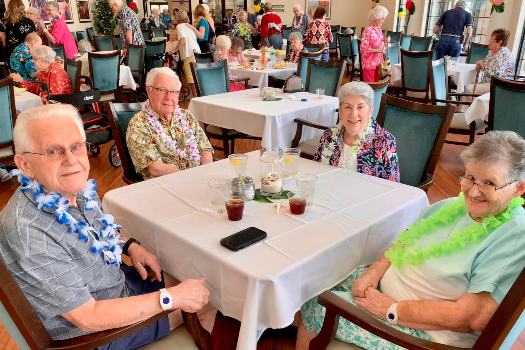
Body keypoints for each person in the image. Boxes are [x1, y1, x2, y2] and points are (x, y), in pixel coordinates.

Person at [0, 103, 210, 347]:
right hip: (93, 335)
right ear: (24, 164)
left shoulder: (75, 188)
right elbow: (87, 317)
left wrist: (130, 247)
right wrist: (170, 299)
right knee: (208, 305)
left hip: (117, 286)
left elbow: (97, 232)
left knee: (201, 277)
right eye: (54, 151)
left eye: (76, 147)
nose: (71, 160)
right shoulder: (29, 229)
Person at [298, 130, 525, 349]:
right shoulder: (451, 207)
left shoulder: (514, 235)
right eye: (471, 177)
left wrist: (392, 309)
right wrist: (374, 272)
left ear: (519, 188)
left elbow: (473, 316)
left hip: (424, 335)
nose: (474, 192)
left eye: (490, 183)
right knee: (314, 280)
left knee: (314, 303)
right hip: (389, 293)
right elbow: (405, 241)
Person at [126, 68, 213, 179]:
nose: (169, 97)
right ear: (149, 90)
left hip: (199, 179)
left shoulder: (186, 116)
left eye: (174, 92)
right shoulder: (138, 124)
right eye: (162, 90)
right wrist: (189, 178)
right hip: (165, 187)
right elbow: (155, 168)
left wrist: (206, 174)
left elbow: (205, 148)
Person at [313, 82, 399, 182]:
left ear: (370, 111)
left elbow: (393, 186)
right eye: (348, 107)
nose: (353, 114)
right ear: (340, 112)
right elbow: (316, 171)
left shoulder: (385, 142)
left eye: (360, 107)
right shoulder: (328, 136)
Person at [465, 28, 515, 96]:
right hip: (488, 82)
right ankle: (471, 106)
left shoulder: (504, 55)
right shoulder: (492, 51)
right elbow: (486, 64)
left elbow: (497, 74)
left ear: (499, 42)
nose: (489, 41)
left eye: (492, 39)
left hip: (499, 86)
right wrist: (480, 65)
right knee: (467, 85)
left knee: (469, 88)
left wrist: (483, 65)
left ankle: (471, 106)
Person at [173, 10, 200, 97]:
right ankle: (198, 96)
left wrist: (175, 49)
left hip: (189, 52)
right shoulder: (189, 26)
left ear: (178, 18)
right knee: (196, 75)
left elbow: (183, 40)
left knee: (191, 77)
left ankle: (195, 97)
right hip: (197, 51)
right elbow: (200, 36)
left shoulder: (179, 26)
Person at [360, 5, 388, 82]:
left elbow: (377, 43)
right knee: (370, 88)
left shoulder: (378, 29)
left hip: (378, 64)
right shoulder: (368, 30)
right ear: (376, 18)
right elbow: (363, 49)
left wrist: (384, 40)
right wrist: (378, 50)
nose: (383, 21)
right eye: (382, 19)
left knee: (377, 87)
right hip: (369, 64)